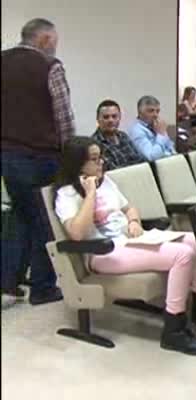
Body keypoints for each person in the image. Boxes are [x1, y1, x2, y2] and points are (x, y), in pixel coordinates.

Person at [54, 136, 196, 354]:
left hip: (129, 241)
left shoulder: (107, 182)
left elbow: (129, 208)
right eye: (94, 159)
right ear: (77, 164)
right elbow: (76, 233)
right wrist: (90, 194)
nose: (101, 162)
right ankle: (174, 330)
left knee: (194, 241)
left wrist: (133, 222)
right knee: (182, 254)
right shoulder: (66, 194)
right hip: (103, 252)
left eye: (100, 157)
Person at [1, 18, 75, 305]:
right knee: (45, 222)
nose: (55, 47)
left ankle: (8, 282)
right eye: (54, 41)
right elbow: (63, 117)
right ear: (44, 40)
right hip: (40, 157)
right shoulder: (49, 67)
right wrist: (69, 155)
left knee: (19, 218)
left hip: (7, 155)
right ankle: (43, 288)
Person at [92, 100, 145, 171]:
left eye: (114, 116)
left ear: (119, 118)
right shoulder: (95, 144)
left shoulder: (123, 136)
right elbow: (114, 171)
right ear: (98, 119)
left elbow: (140, 161)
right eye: (106, 117)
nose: (110, 120)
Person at [128, 96, 175, 162]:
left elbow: (170, 148)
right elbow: (151, 157)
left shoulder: (156, 125)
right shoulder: (136, 130)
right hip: (153, 168)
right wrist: (161, 134)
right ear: (140, 113)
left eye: (157, 111)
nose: (155, 115)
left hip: (169, 161)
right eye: (151, 111)